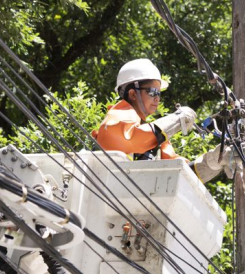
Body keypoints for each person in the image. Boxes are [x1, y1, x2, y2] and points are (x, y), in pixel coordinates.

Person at [92, 58, 235, 182]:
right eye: (152, 92)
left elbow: (181, 173)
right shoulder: (116, 119)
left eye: (159, 93)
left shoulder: (155, 137)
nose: (157, 98)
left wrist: (212, 162)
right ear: (133, 94)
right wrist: (177, 119)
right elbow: (133, 138)